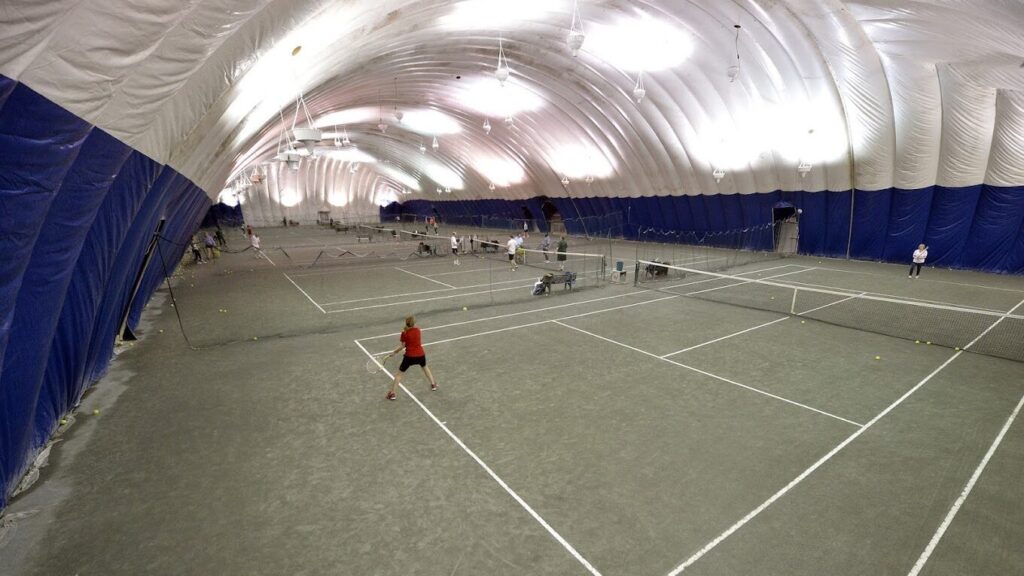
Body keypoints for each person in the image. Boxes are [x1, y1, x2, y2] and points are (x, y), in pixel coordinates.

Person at [383, 316, 437, 400]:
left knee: (399, 374)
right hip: (420, 355)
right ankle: (433, 384)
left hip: (409, 357)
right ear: (414, 323)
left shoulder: (404, 333)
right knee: (425, 367)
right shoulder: (418, 330)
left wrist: (394, 352)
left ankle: (392, 393)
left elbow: (402, 346)